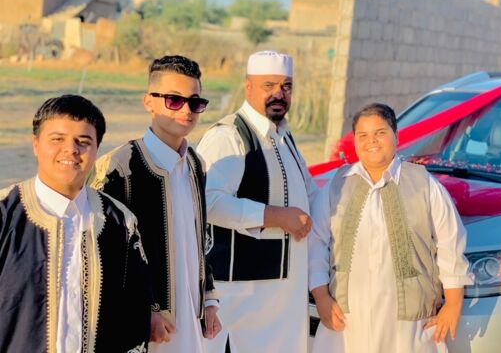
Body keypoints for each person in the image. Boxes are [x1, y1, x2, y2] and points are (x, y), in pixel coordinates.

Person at [308, 103, 474, 353]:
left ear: (395, 136)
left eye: (380, 133)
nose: (371, 141)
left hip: (408, 325)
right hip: (348, 322)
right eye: (363, 135)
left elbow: (450, 242)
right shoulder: (337, 185)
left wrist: (453, 304)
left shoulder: (423, 184)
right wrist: (321, 297)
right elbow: (316, 242)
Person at [91, 55, 221, 353]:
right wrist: (141, 312)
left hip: (191, 321)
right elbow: (104, 256)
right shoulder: (119, 167)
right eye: (174, 100)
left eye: (195, 102)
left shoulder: (195, 164)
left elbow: (200, 240)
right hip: (144, 327)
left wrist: (209, 299)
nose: (186, 110)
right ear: (149, 102)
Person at [0, 95, 150, 352]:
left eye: (83, 141)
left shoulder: (120, 222)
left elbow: (135, 314)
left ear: (97, 149)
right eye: (57, 139)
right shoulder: (5, 214)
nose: (71, 149)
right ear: (36, 144)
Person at [197, 50, 315, 353]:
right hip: (241, 298)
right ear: (248, 87)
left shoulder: (284, 136)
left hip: (281, 300)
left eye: (286, 86)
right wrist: (275, 216)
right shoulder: (229, 135)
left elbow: (310, 193)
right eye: (269, 85)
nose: (279, 94)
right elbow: (208, 201)